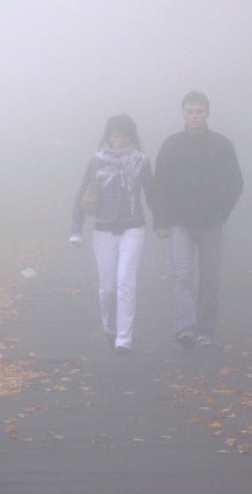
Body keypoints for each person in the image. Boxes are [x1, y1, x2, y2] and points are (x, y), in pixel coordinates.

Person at [152, 91, 243, 350]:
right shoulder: (171, 145)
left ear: (207, 113)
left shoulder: (222, 145)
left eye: (199, 111)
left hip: (211, 221)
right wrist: (161, 221)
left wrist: (222, 211)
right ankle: (185, 328)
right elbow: (160, 185)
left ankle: (205, 328)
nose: (194, 116)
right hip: (180, 221)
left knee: (210, 277)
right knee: (182, 276)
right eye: (190, 111)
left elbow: (235, 182)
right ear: (183, 113)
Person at [70, 114, 155, 355]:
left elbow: (152, 194)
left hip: (133, 227)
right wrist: (76, 230)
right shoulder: (97, 161)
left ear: (131, 136)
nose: (119, 140)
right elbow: (82, 195)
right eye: (115, 135)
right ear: (109, 136)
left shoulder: (140, 161)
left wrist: (161, 222)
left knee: (125, 282)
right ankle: (109, 326)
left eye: (124, 135)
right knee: (107, 287)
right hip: (103, 230)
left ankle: (124, 338)